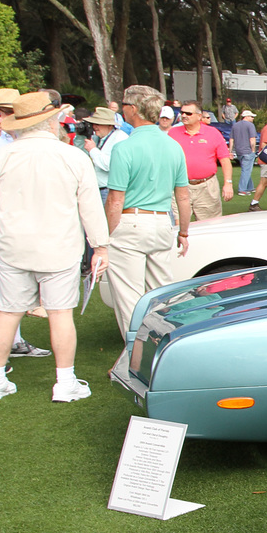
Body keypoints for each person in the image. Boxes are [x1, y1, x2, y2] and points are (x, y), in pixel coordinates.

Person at [0, 91, 111, 401]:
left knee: (6, 313)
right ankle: (65, 382)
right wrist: (100, 246)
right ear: (52, 121)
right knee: (60, 314)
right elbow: (90, 206)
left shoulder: (4, 155)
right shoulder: (73, 156)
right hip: (59, 247)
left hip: (12, 245)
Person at [105, 84, 192, 341]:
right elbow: (183, 196)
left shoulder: (124, 148)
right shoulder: (173, 146)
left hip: (131, 221)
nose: (122, 109)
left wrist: (104, 236)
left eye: (124, 105)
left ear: (133, 110)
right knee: (161, 295)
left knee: (130, 298)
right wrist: (183, 231)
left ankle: (135, 356)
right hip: (163, 222)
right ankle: (163, 350)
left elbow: (114, 200)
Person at [230, 109, 258, 195]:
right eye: (251, 117)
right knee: (246, 170)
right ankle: (242, 189)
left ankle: (250, 187)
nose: (253, 118)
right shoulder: (250, 125)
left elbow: (231, 139)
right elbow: (252, 139)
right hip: (248, 151)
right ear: (246, 117)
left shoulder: (235, 125)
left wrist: (230, 151)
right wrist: (253, 150)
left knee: (246, 169)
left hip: (239, 151)